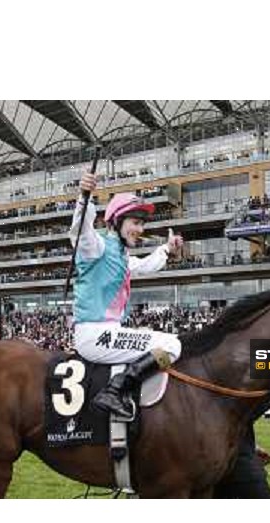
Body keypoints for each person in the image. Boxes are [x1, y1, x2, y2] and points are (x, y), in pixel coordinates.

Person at [70, 170, 184, 419]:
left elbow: (144, 266)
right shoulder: (97, 246)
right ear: (117, 221)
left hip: (106, 333)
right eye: (135, 222)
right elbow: (80, 230)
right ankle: (115, 390)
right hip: (95, 335)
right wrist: (84, 197)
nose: (140, 229)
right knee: (172, 345)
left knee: (169, 340)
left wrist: (166, 249)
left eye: (142, 223)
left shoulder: (120, 256)